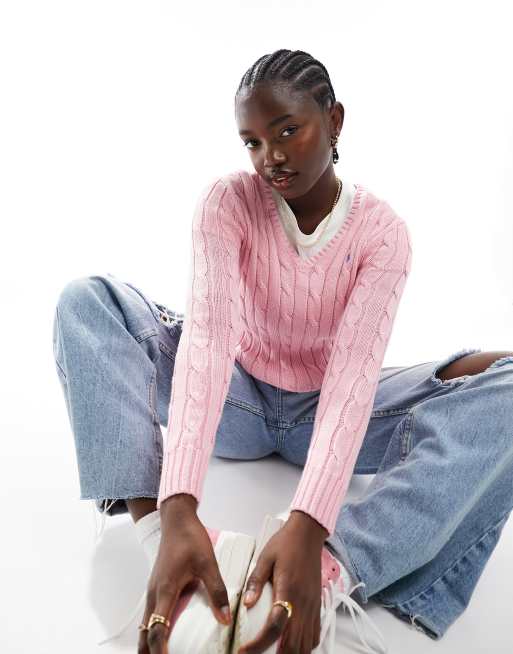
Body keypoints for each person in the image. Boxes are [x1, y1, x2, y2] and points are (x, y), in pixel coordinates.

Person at [52, 48, 513, 654]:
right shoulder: (227, 202)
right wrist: (180, 504)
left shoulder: (382, 233)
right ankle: (162, 541)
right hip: (236, 397)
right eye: (253, 142)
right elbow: (209, 342)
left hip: (328, 408)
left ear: (335, 121)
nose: (269, 156)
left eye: (287, 131)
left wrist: (308, 522)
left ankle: (331, 569)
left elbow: (351, 382)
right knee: (87, 301)